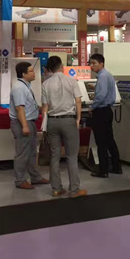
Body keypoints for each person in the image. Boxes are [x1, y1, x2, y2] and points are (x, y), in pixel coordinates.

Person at [41, 56, 87, 198]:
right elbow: (78, 101)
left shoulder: (45, 84)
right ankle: (74, 190)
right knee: (72, 156)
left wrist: (44, 125)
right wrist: (78, 119)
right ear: (62, 66)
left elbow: (44, 107)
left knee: (54, 156)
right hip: (68, 120)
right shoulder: (71, 81)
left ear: (49, 69)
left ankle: (56, 188)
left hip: (52, 121)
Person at [10, 62, 48, 190]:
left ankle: (35, 177)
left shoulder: (26, 86)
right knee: (22, 153)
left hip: (29, 121)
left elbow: (27, 105)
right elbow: (19, 108)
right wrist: (25, 126)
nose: (34, 73)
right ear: (24, 74)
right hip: (23, 123)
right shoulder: (19, 88)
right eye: (31, 71)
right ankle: (20, 180)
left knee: (32, 152)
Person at [89, 53, 121, 178]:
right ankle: (116, 167)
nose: (91, 66)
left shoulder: (102, 76)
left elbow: (101, 96)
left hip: (100, 112)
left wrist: (92, 107)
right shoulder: (108, 75)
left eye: (94, 63)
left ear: (101, 63)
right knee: (109, 140)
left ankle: (103, 170)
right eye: (90, 63)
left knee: (101, 142)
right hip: (107, 111)